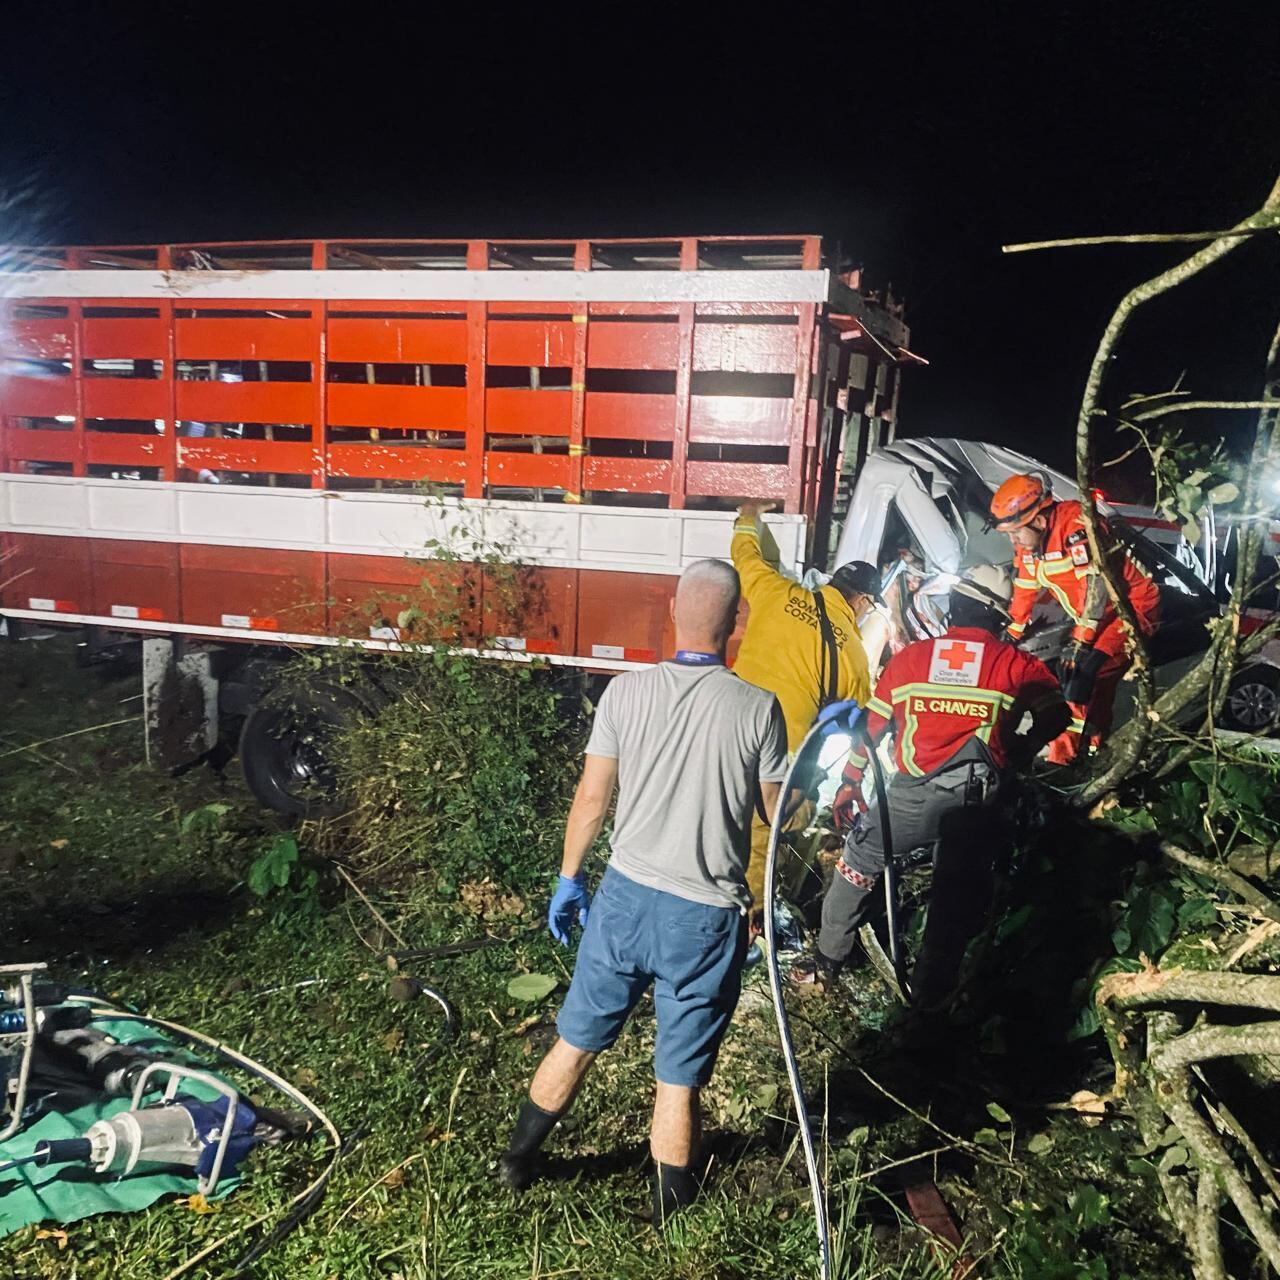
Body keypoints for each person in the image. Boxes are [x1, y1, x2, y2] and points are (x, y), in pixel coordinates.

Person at [498, 559, 788, 1227]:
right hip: (705, 918)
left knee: (575, 1040)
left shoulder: (624, 693)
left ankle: (517, 1161)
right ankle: (669, 1211)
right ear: (737, 623)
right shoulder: (757, 707)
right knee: (677, 1073)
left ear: (671, 613)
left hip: (624, 901)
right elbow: (778, 812)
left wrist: (570, 879)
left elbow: (592, 798)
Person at [807, 564, 1070, 1009]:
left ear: (954, 609)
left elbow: (871, 732)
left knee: (859, 859)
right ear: (997, 617)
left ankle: (825, 962)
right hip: (978, 803)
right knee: (954, 898)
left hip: (909, 800)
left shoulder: (910, 659)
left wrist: (850, 784)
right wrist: (1021, 750)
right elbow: (1058, 715)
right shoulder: (1014, 664)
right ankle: (931, 1001)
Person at [730, 502, 874, 909]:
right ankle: (750, 917)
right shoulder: (854, 652)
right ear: (861, 601)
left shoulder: (777, 591)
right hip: (775, 757)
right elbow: (863, 721)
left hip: (724, 731)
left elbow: (745, 555)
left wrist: (748, 517)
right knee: (763, 833)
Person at [989, 472, 1160, 764]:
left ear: (1039, 520)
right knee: (1093, 685)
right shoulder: (1031, 542)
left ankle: (1063, 762)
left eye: (1016, 532)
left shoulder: (1078, 526)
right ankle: (1095, 746)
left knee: (1079, 676)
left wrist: (1081, 642)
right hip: (1095, 616)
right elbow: (1026, 587)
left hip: (1130, 608)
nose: (1013, 540)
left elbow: (1096, 588)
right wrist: (1014, 631)